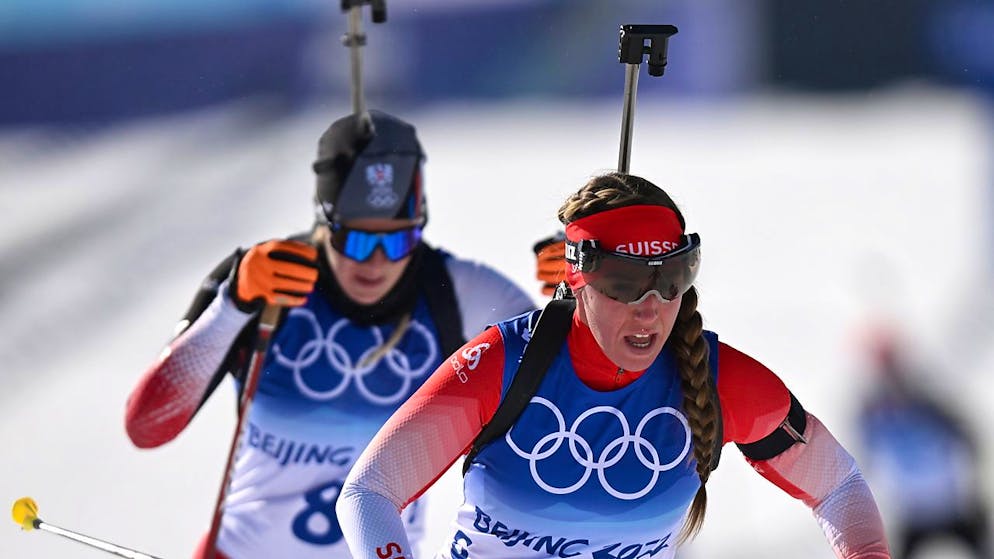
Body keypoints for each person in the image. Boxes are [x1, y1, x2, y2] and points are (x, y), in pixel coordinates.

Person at [336, 171, 893, 559]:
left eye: (671, 278)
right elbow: (368, 493)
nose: (650, 307)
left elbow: (838, 484)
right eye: (625, 283)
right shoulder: (504, 364)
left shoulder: (726, 381)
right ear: (577, 278)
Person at [123, 110, 536, 559]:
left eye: (398, 241)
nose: (376, 262)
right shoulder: (266, 278)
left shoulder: (457, 292)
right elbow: (147, 426)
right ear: (325, 220)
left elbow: (562, 372)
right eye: (356, 240)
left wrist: (575, 289)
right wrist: (232, 306)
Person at [857, 327, 991, 559]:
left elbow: (966, 434)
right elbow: (864, 458)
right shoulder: (872, 411)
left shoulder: (926, 399)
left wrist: (972, 479)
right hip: (913, 512)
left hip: (954, 505)